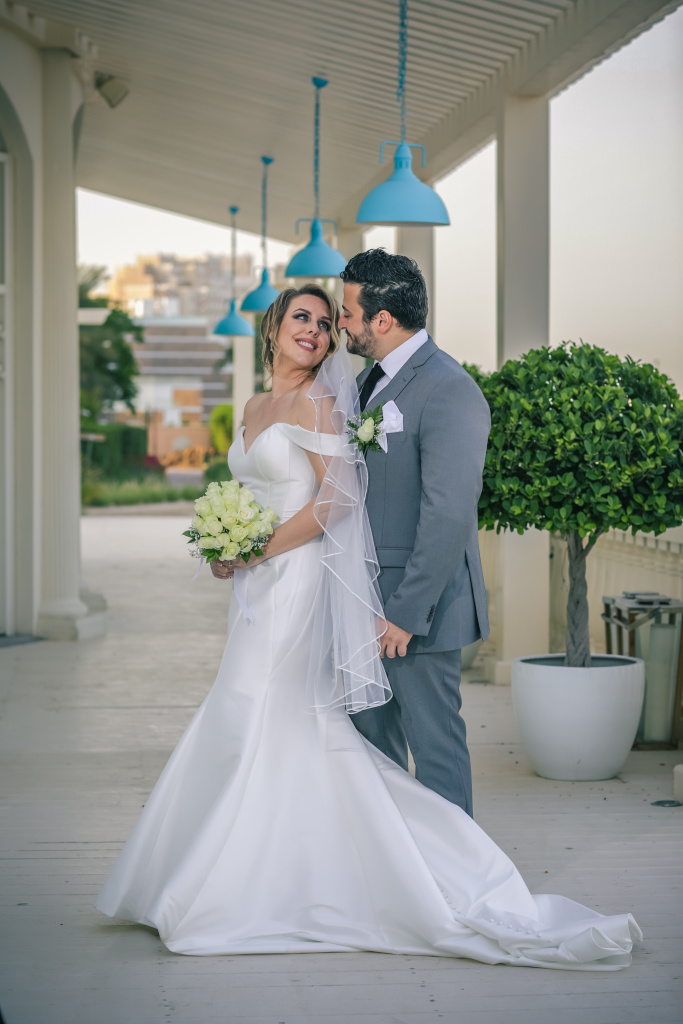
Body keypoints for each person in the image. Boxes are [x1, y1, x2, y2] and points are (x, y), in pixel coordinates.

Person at [95, 283, 640, 968]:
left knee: (276, 709)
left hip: (298, 583)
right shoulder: (263, 405)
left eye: (330, 321)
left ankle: (440, 876)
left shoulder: (327, 400)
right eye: (304, 317)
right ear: (273, 326)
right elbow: (254, 492)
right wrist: (223, 547)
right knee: (261, 712)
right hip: (260, 588)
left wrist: (256, 549)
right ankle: (291, 870)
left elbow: (337, 500)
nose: (318, 330)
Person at [340, 250, 489, 816]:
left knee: (435, 751)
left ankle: (459, 867)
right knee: (374, 752)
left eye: (348, 311)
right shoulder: (365, 383)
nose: (340, 322)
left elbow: (449, 513)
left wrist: (405, 612)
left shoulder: (449, 387)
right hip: (361, 599)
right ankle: (400, 862)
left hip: (416, 611)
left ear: (381, 319)